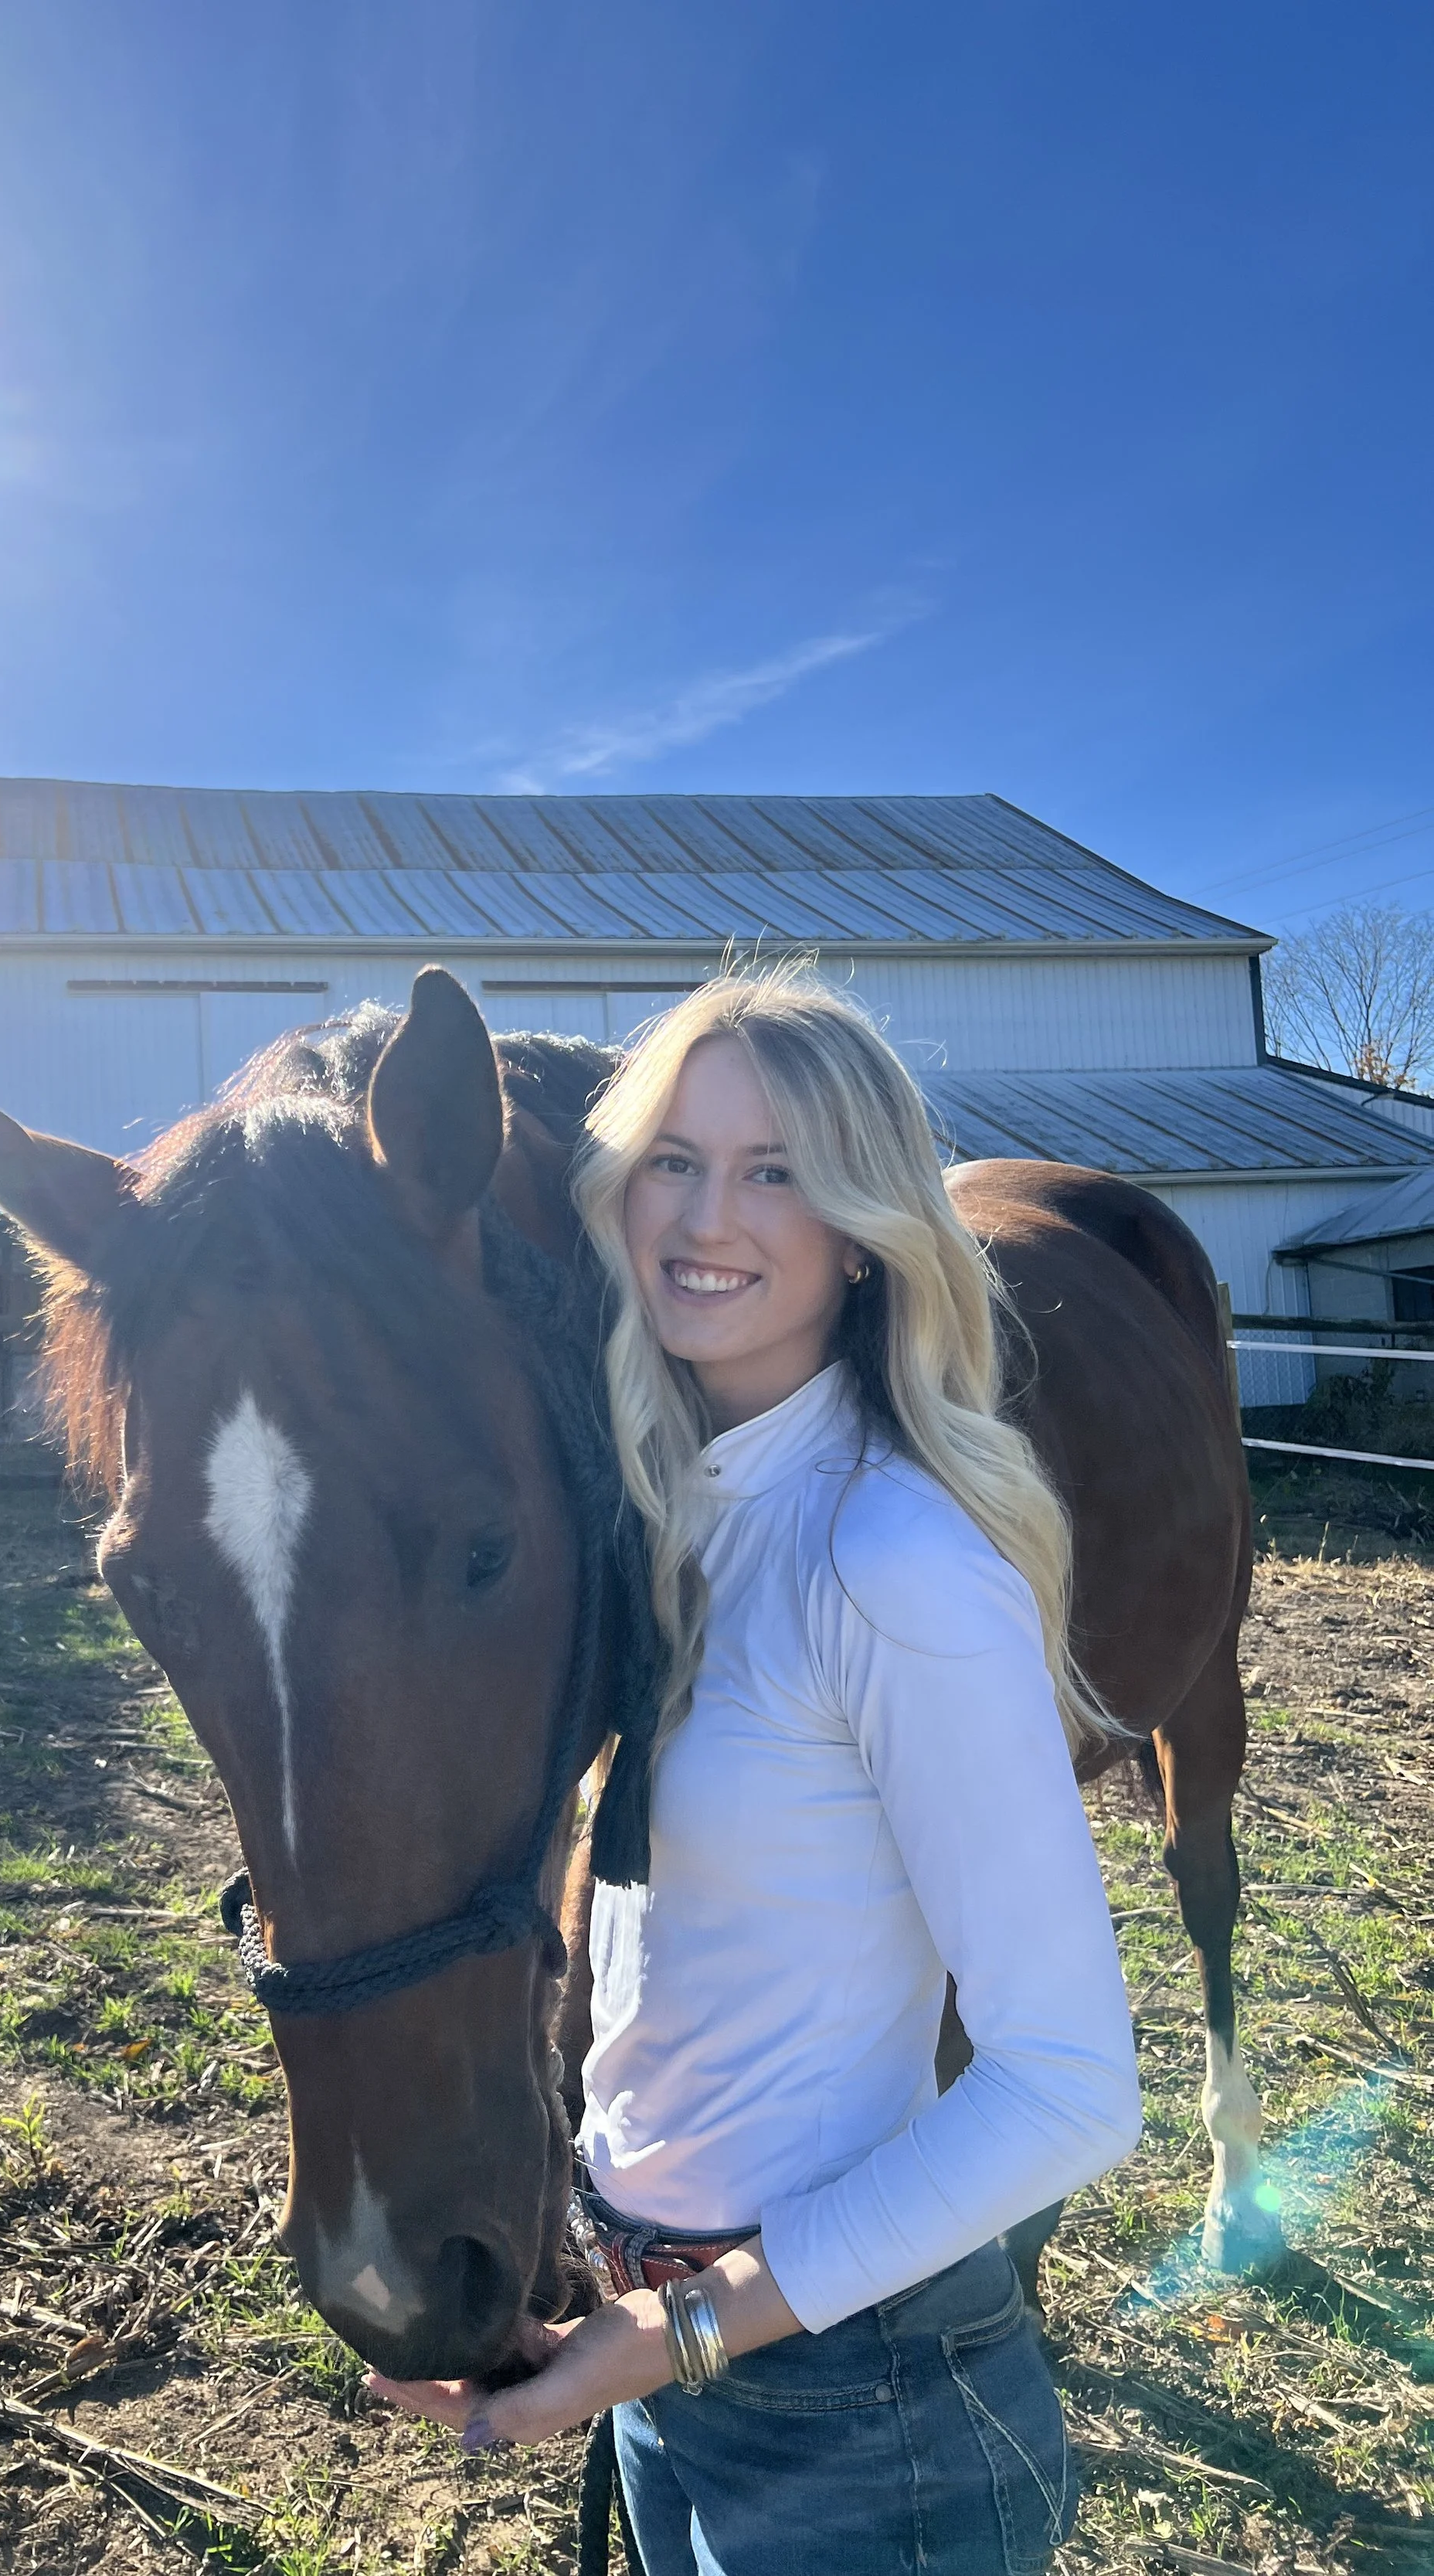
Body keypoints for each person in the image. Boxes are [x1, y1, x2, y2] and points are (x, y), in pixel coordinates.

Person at [369, 968, 1143, 2575]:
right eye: (672, 1157)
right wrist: (599, 2300)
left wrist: (687, 2331)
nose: (701, 1213)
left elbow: (1069, 2086)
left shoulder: (891, 1557)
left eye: (772, 1167)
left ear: (862, 1224)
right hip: (681, 2356)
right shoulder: (680, 1518)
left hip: (866, 2427)